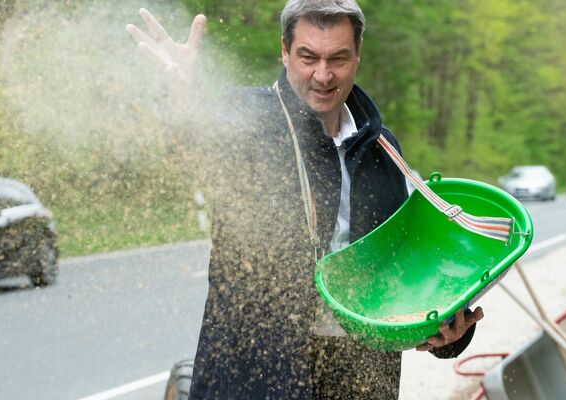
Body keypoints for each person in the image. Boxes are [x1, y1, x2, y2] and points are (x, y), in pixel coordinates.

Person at [127, 1, 484, 398]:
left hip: (360, 377)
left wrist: (447, 333)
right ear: (285, 51)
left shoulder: (384, 150)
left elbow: (405, 269)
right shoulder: (251, 121)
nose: (323, 75)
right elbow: (195, 147)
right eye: (308, 57)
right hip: (260, 377)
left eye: (338, 59)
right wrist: (180, 99)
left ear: (357, 57)